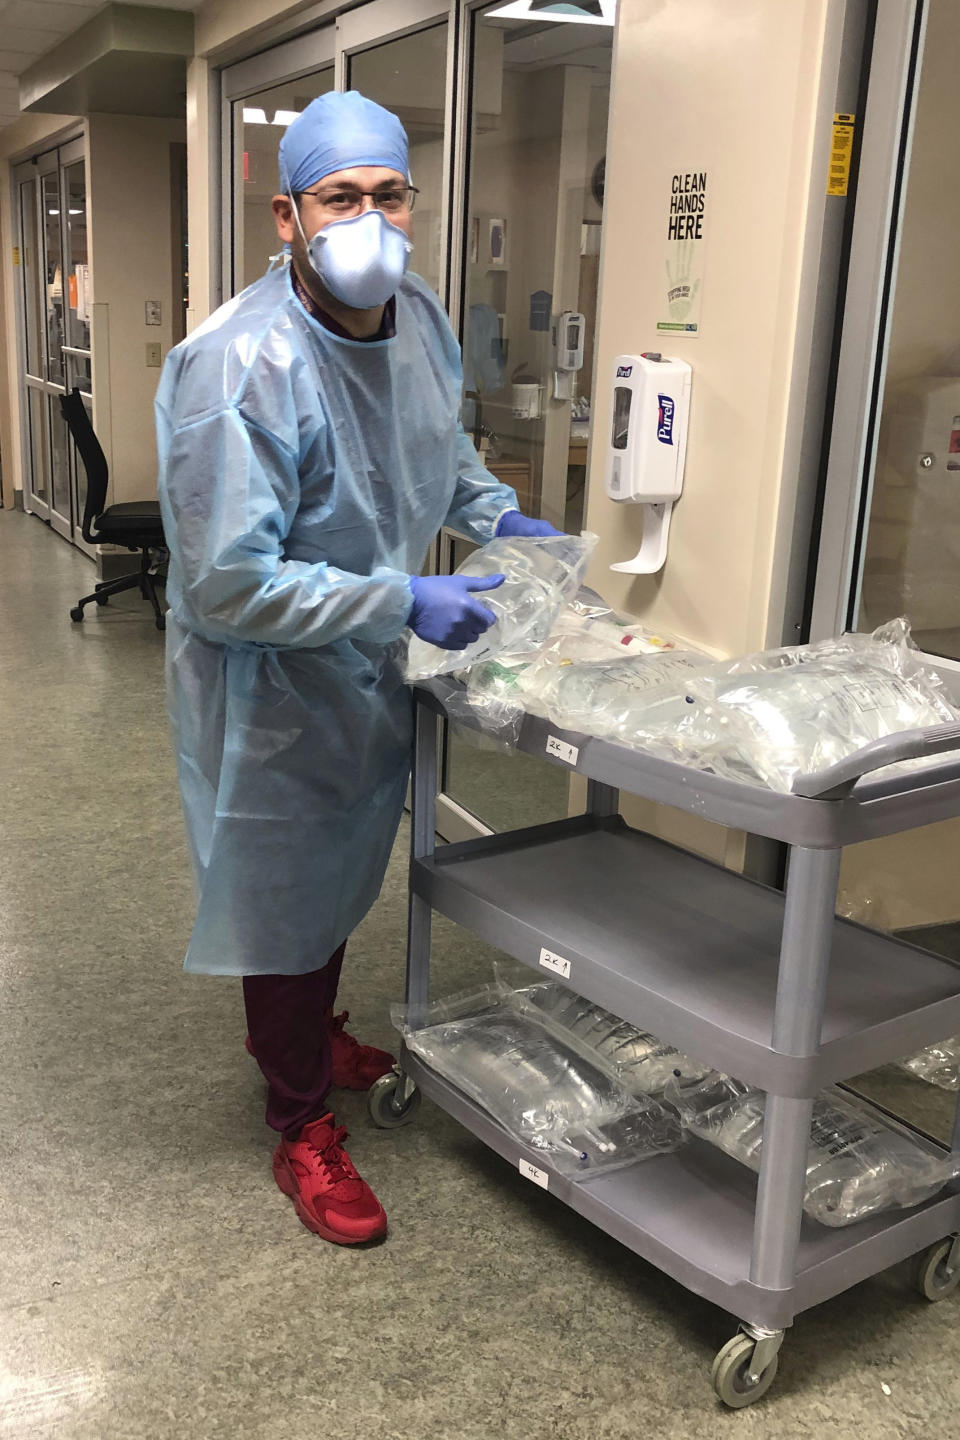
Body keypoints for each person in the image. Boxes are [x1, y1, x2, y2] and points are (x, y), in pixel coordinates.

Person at [155, 91, 561, 1247]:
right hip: (269, 680)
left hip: (363, 657)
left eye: (390, 194)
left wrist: (493, 511)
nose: (369, 219)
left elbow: (434, 435)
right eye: (341, 197)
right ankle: (297, 1123)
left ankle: (311, 1026)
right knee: (285, 884)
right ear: (287, 215)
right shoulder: (240, 370)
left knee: (341, 866)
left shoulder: (416, 310)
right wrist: (403, 597)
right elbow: (226, 582)